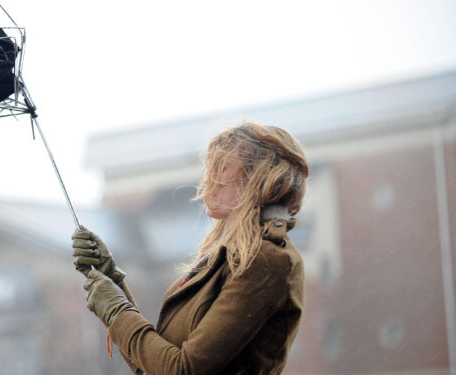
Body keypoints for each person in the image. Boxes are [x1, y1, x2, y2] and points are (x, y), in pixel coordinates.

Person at [72, 121, 309, 374]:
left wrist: (117, 312)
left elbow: (182, 370)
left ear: (257, 178)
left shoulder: (266, 259)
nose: (207, 179)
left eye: (222, 168)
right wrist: (112, 281)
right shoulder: (228, 256)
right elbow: (154, 366)